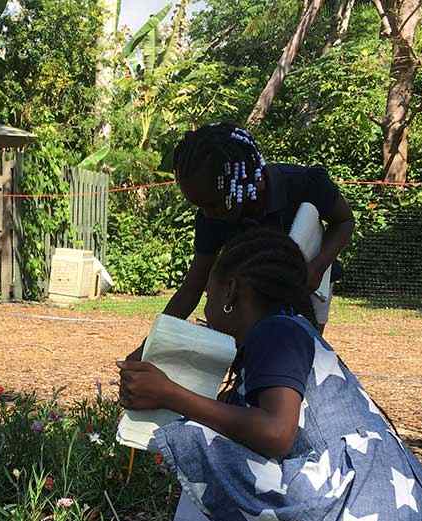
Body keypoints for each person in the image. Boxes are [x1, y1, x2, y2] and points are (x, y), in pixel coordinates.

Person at [118, 229, 422, 521]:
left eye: (208, 292)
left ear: (231, 290)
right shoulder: (288, 329)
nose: (206, 305)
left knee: (195, 437)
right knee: (220, 430)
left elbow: (275, 433)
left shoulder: (274, 335)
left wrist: (172, 396)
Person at [126, 122, 354, 361]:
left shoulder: (303, 184)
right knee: (256, 361)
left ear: (243, 182)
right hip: (253, 298)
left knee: (299, 357)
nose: (207, 214)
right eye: (200, 207)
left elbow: (344, 222)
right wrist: (149, 346)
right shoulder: (211, 216)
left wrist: (316, 267)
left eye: (213, 204)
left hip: (308, 289)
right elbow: (193, 286)